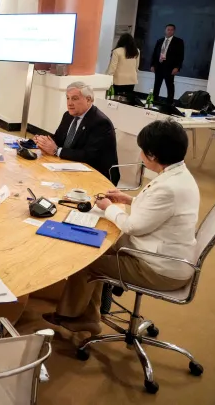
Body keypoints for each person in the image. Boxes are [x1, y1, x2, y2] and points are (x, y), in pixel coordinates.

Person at [44, 119, 199, 334]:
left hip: (160, 268)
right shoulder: (179, 175)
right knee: (97, 245)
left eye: (142, 151)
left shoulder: (169, 188)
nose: (140, 155)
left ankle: (73, 316)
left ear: (152, 155)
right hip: (166, 254)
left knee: (87, 261)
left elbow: (132, 226)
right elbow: (159, 211)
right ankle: (87, 315)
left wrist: (108, 207)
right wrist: (128, 200)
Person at [35, 82, 120, 184]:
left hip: (96, 174)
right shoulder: (68, 115)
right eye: (68, 98)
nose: (69, 103)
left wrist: (56, 151)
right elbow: (59, 139)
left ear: (88, 99)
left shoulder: (100, 123)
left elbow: (89, 156)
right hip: (70, 166)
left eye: (74, 99)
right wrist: (43, 142)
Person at [150, 24, 184, 104]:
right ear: (165, 30)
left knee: (170, 85)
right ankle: (154, 101)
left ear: (174, 31)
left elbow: (180, 56)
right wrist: (152, 65)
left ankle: (169, 103)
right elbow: (154, 54)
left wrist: (177, 67)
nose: (169, 31)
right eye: (168, 29)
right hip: (159, 66)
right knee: (157, 85)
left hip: (170, 67)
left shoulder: (178, 41)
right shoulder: (160, 41)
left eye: (171, 30)